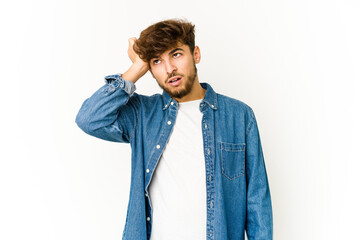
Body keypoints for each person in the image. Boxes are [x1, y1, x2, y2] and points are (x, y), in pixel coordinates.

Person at [76, 19, 273, 240]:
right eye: (157, 61)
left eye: (176, 54)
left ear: (196, 54)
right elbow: (89, 119)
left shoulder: (239, 116)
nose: (169, 69)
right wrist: (137, 67)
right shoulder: (142, 114)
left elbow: (257, 202)